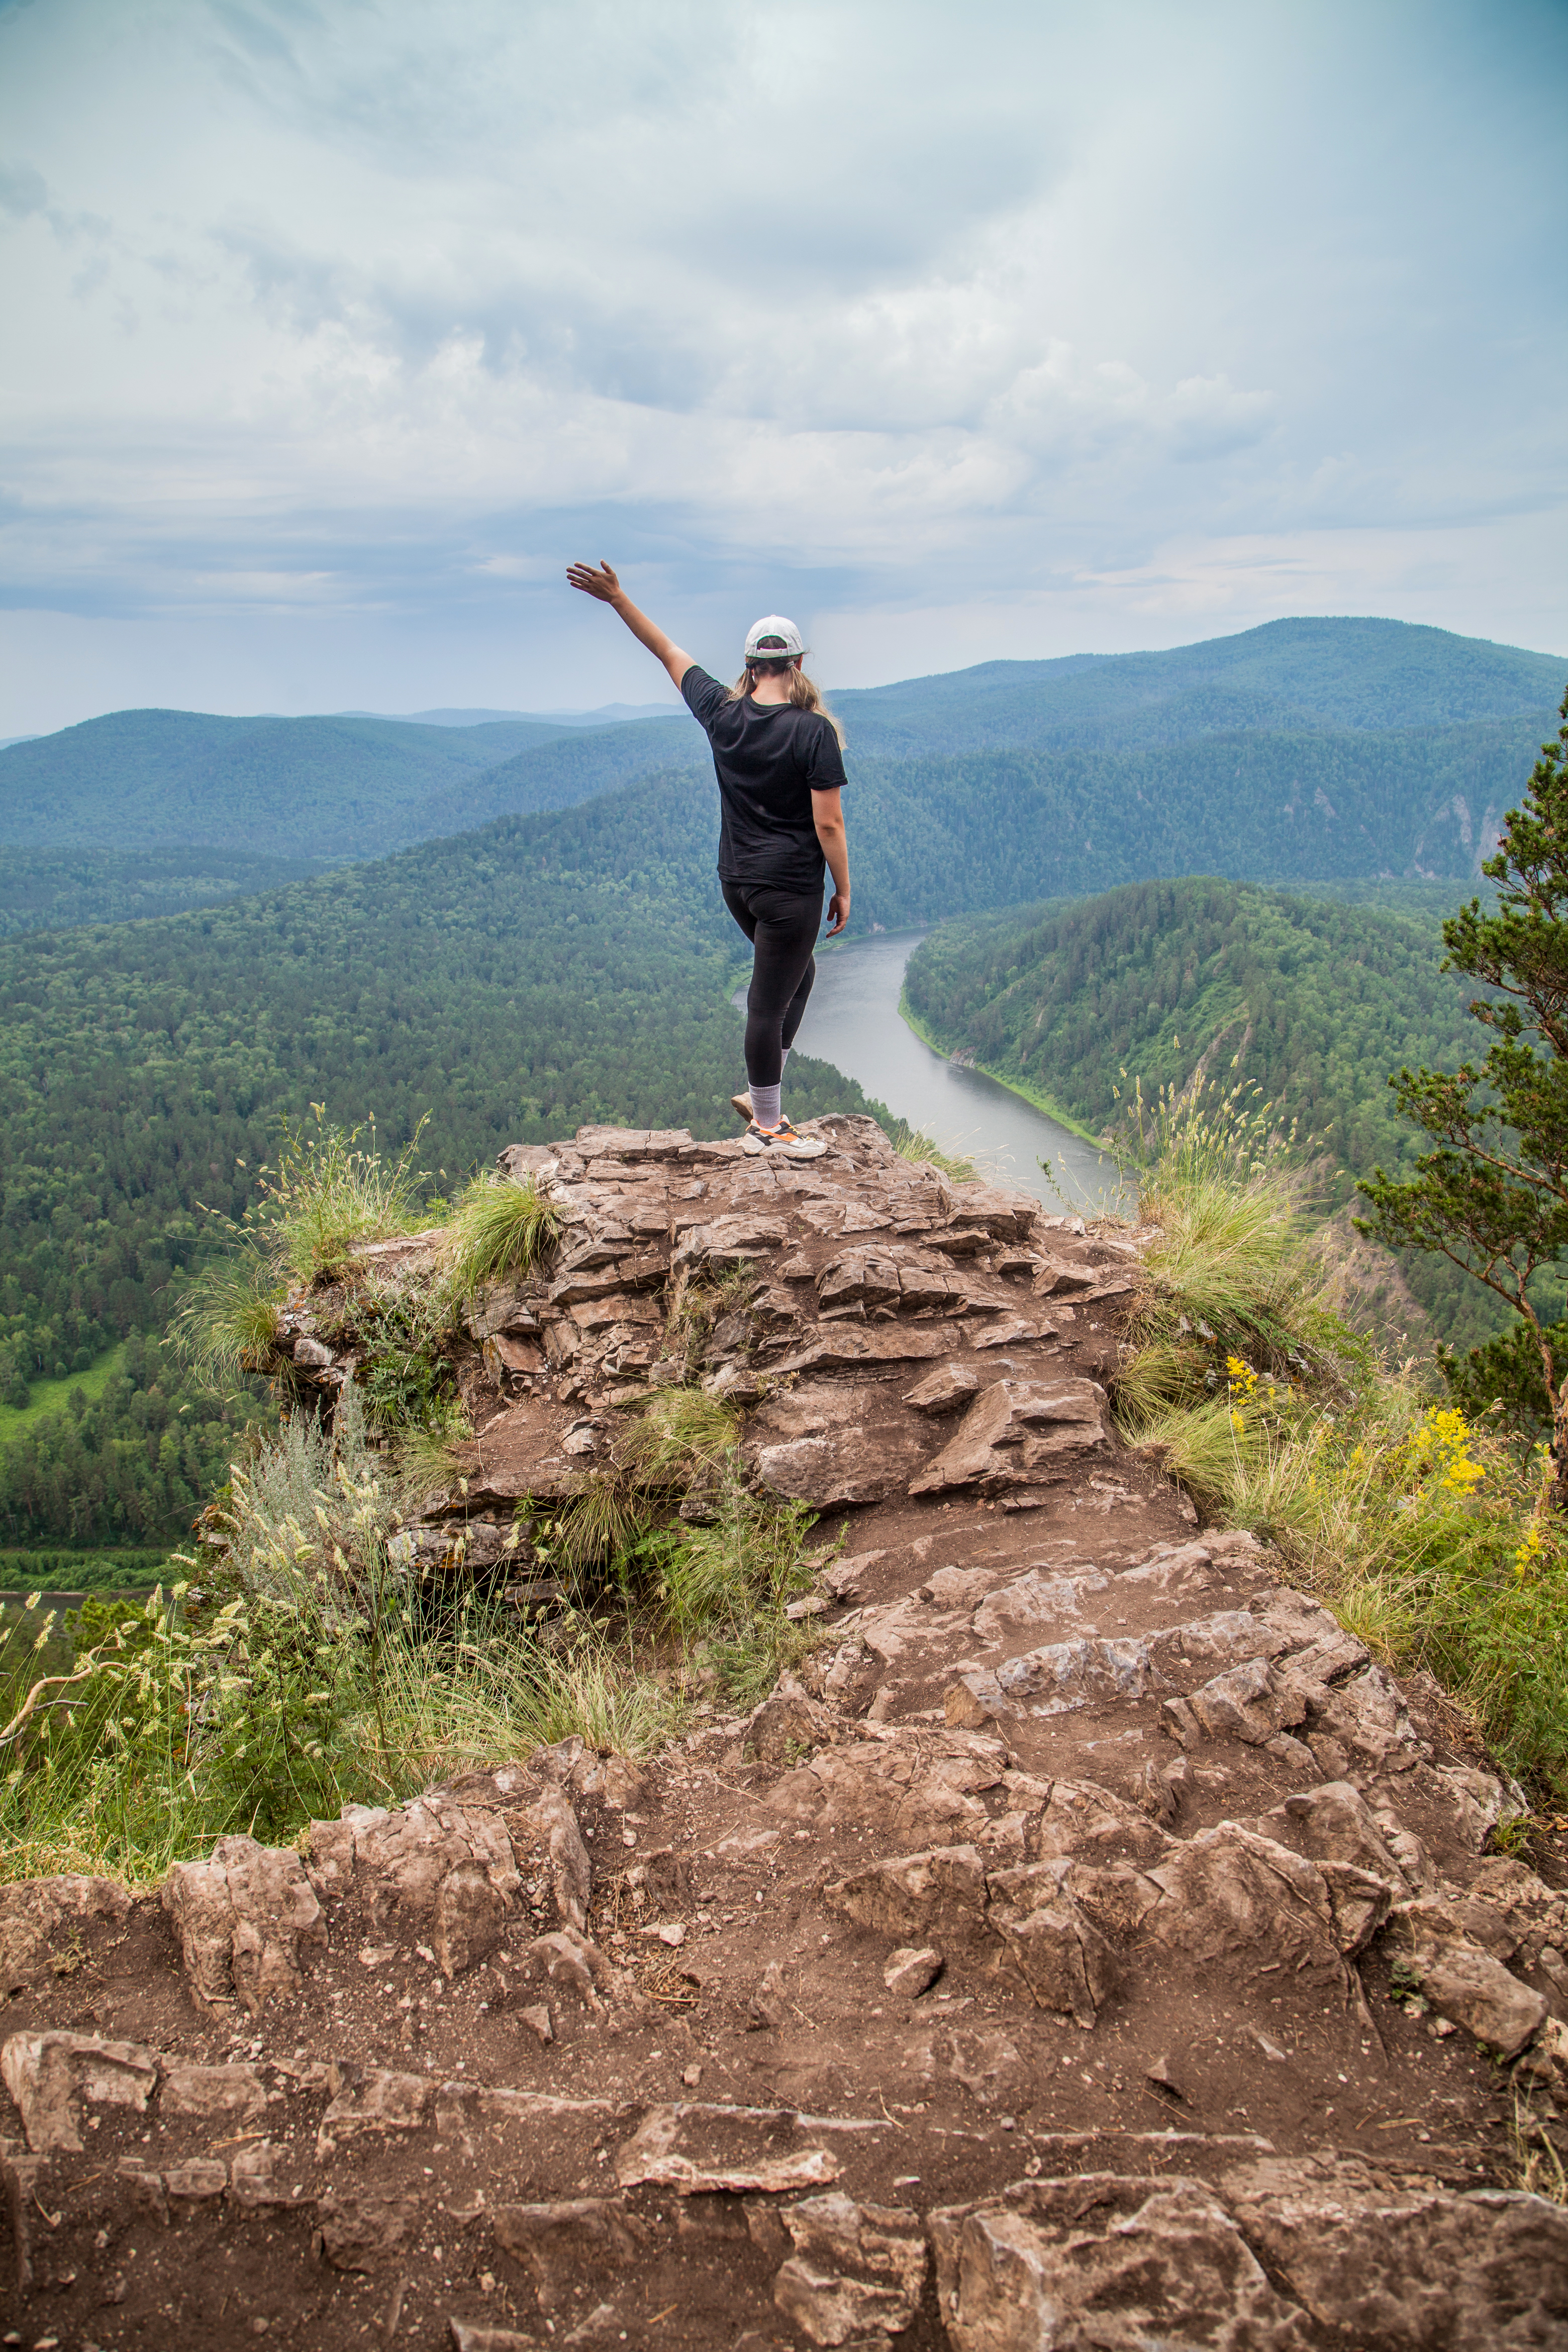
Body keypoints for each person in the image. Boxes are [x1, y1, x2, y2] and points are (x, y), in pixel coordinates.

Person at [565, 560, 850, 1160]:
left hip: (738, 884)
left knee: (801, 979)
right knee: (768, 1003)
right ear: (799, 664)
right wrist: (843, 889)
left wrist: (618, 598)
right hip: (789, 888)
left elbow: (666, 650)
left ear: (750, 665)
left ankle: (761, 1092)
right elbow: (828, 822)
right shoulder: (812, 732)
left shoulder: (722, 713)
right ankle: (768, 1125)